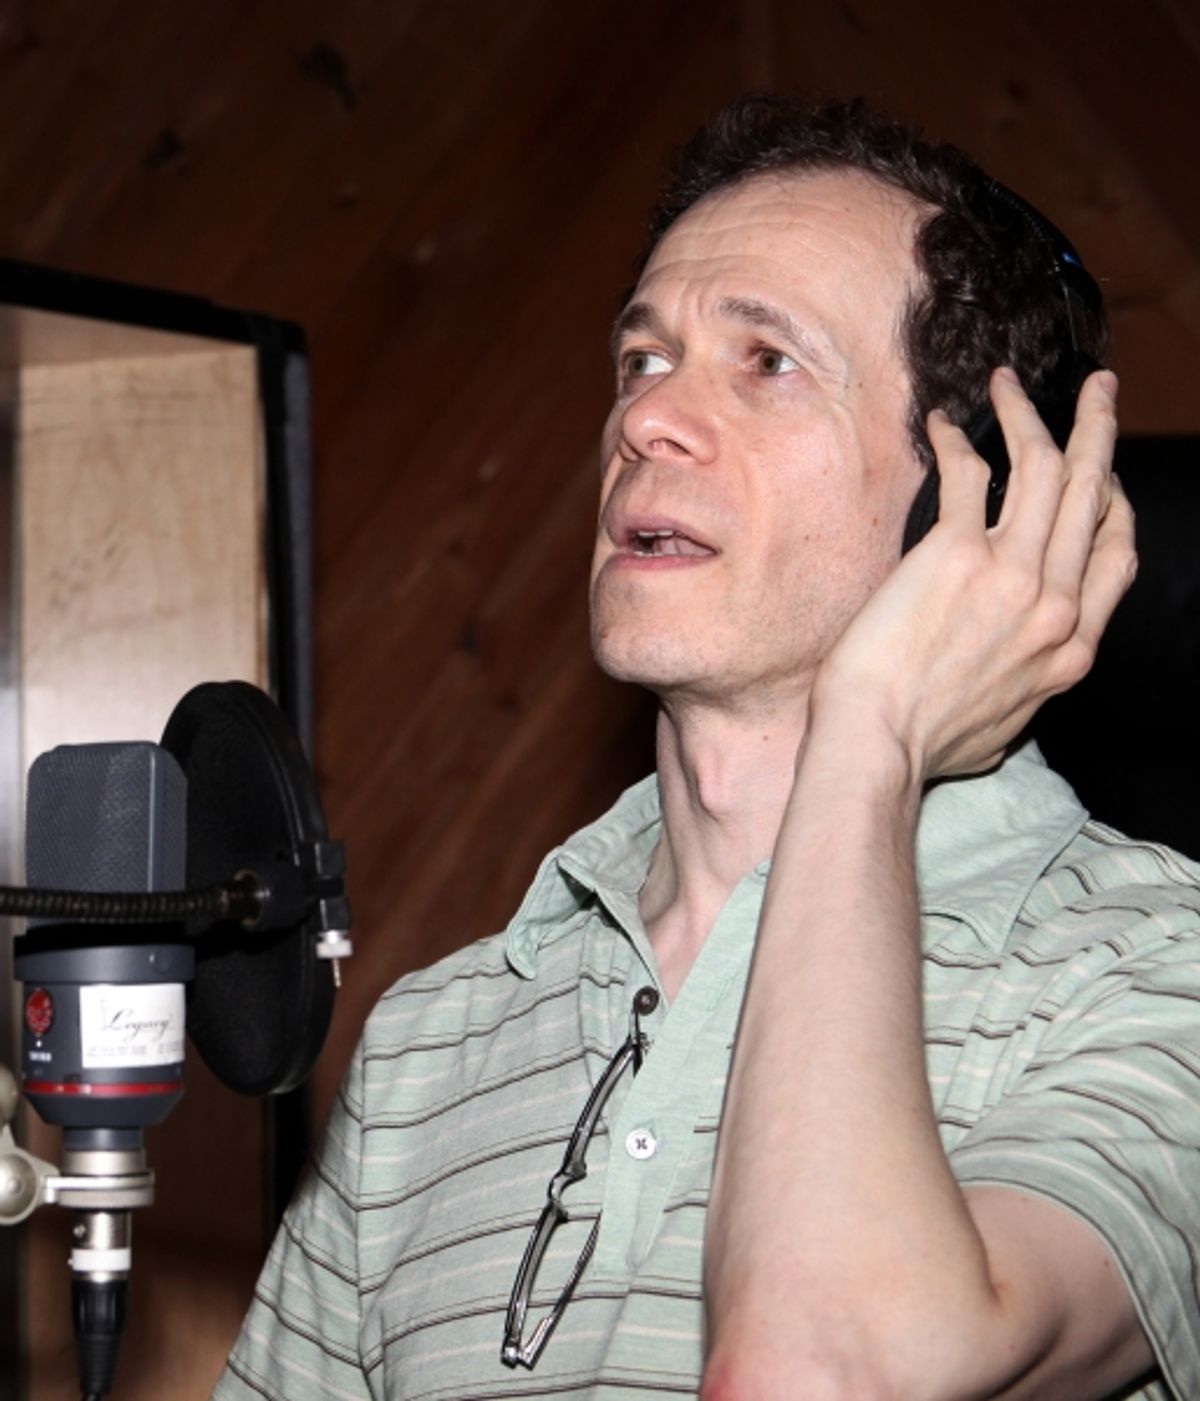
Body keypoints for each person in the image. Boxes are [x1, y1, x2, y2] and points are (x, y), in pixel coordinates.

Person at [213, 95, 1200, 1400]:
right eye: (642, 359)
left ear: (982, 504)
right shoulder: (426, 1046)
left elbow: (827, 1368)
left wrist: (872, 734)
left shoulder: (1154, 964)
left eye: (766, 362)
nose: (649, 419)